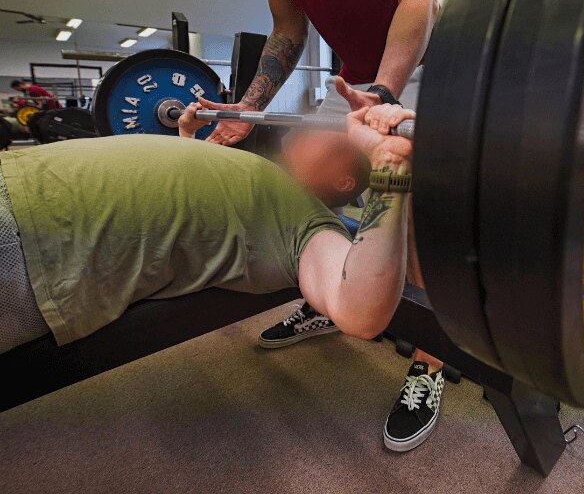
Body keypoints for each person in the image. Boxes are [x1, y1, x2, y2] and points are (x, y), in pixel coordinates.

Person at [197, 0, 446, 452]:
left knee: (410, 209)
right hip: (355, 78)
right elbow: (288, 27)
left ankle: (432, 362)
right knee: (302, 176)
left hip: (430, 63)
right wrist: (247, 105)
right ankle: (332, 296)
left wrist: (385, 92)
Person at [0, 103, 411, 362]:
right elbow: (194, 194)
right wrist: (187, 138)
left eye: (337, 137)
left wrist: (389, 162)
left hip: (38, 238)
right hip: (22, 175)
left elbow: (359, 311)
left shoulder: (310, 224)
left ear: (343, 180)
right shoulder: (266, 172)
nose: (318, 125)